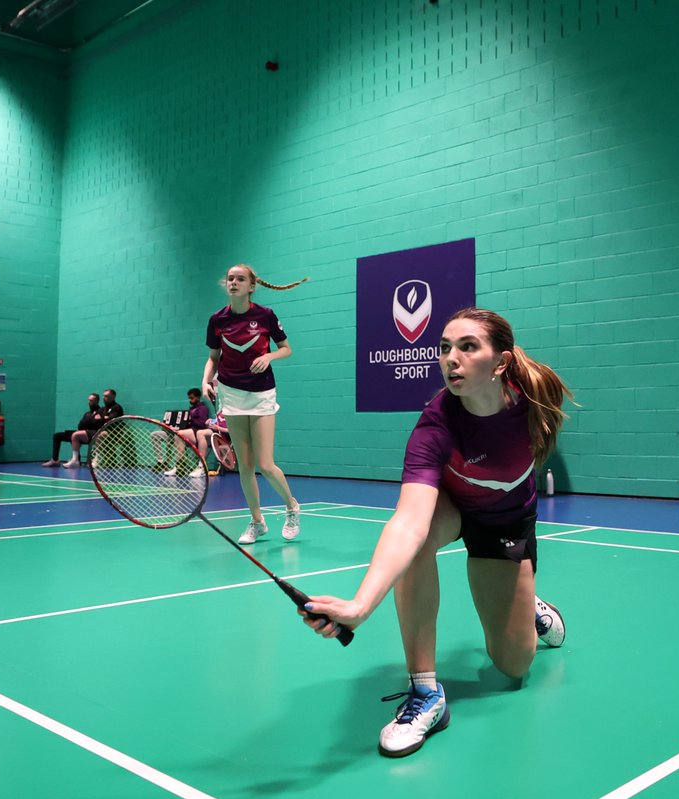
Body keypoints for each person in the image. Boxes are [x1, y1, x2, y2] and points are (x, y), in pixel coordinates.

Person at [300, 307, 573, 758]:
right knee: (418, 541)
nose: (451, 358)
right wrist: (361, 604)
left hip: (507, 522)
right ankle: (426, 693)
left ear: (500, 362)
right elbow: (408, 521)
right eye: (445, 348)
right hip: (454, 508)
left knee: (513, 665)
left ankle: (531, 609)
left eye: (468, 347)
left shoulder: (535, 398)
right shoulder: (436, 424)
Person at [201, 264, 307, 544]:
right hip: (231, 392)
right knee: (245, 466)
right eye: (230, 278)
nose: (234, 282)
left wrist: (269, 357)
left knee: (266, 464)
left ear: (251, 286)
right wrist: (205, 380)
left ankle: (291, 507)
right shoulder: (217, 319)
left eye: (240, 279)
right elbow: (213, 357)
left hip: (261, 393)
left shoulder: (265, 315)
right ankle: (257, 521)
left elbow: (286, 349)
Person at [151, 388, 212, 477]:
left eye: (192, 398)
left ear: (198, 397)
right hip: (184, 432)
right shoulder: (191, 409)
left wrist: (189, 419)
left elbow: (202, 424)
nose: (190, 400)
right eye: (189, 398)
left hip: (195, 433)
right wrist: (172, 426)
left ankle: (183, 465)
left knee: (179, 434)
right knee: (158, 434)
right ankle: (167, 463)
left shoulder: (203, 408)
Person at [64, 388, 123, 467]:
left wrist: (102, 418)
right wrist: (103, 418)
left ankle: (98, 459)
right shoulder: (102, 409)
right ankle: (75, 460)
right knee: (75, 435)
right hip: (98, 431)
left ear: (113, 397)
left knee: (101, 434)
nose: (103, 398)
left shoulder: (117, 408)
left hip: (113, 434)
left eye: (106, 396)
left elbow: (110, 421)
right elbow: (94, 420)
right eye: (103, 396)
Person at [43, 393, 101, 467]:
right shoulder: (87, 414)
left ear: (97, 401)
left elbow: (95, 424)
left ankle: (76, 460)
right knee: (57, 435)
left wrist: (89, 422)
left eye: (91, 400)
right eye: (89, 400)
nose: (89, 402)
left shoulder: (100, 412)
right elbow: (80, 426)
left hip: (92, 434)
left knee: (76, 435)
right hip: (83, 432)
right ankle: (55, 460)